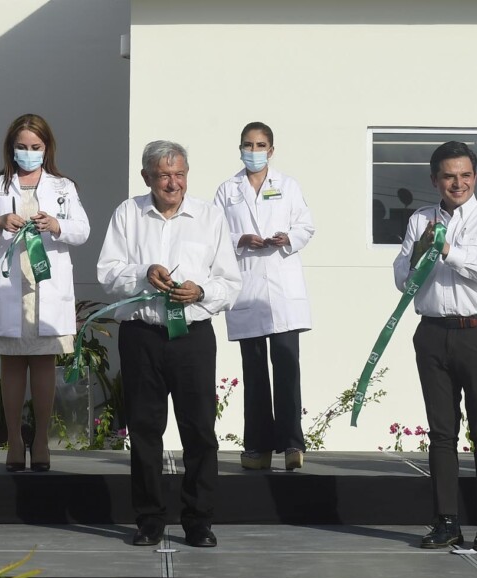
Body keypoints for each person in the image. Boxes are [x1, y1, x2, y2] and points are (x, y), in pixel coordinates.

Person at [97, 140, 241, 548]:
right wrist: (144, 273)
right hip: (142, 335)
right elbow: (107, 273)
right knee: (144, 430)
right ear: (147, 177)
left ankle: (199, 521)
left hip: (192, 337)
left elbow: (230, 282)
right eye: (163, 174)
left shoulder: (209, 217)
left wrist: (201, 291)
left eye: (178, 173)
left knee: (199, 430)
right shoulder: (128, 214)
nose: (172, 182)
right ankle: (149, 520)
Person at [393, 141, 477, 551]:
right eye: (448, 176)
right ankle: (445, 520)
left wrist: (448, 250)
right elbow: (402, 279)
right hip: (433, 332)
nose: (457, 183)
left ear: (474, 177)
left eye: (464, 175)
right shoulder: (420, 220)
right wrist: (421, 253)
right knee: (442, 432)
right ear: (434, 180)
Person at [0, 114, 89, 472]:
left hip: (45, 285)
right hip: (10, 285)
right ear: (11, 148)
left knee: (43, 364)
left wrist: (56, 225)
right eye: (22, 146)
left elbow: (82, 230)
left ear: (46, 148)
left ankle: (40, 440)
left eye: (35, 147)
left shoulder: (63, 186)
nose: (28, 152)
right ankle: (13, 440)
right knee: (12, 366)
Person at [214, 122, 314, 471]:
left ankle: (291, 445)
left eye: (260, 145)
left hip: (283, 288)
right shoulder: (228, 190)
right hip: (247, 286)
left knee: (287, 367)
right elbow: (213, 236)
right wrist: (241, 240)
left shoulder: (287, 186)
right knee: (254, 371)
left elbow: (306, 225)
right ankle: (257, 447)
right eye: (248, 145)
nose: (253, 152)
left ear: (271, 150)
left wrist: (287, 238)